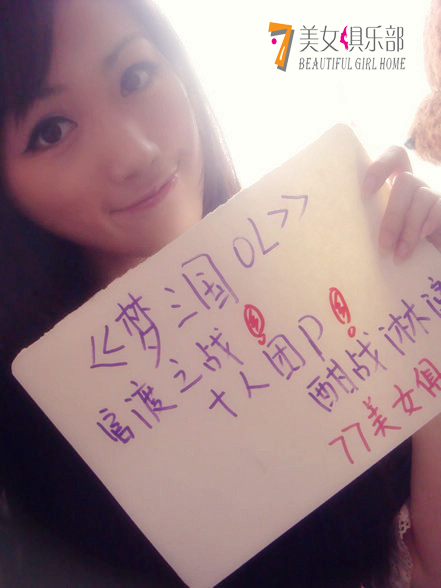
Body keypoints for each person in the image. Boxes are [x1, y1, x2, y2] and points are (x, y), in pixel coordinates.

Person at [0, 0, 440, 586]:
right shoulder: (38, 437)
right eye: (50, 130)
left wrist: (425, 298)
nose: (137, 154)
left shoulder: (322, 263)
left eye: (135, 76)